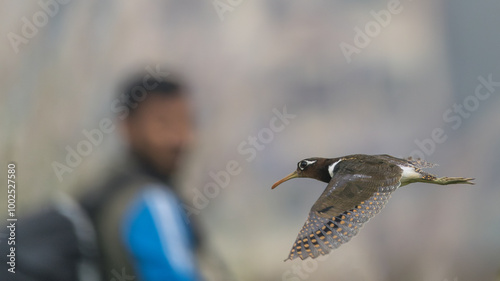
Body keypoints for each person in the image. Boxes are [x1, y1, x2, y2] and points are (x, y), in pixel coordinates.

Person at [79, 70, 203, 281]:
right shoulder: (152, 202)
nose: (179, 138)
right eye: (163, 123)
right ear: (127, 126)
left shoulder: (102, 193)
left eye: (185, 122)